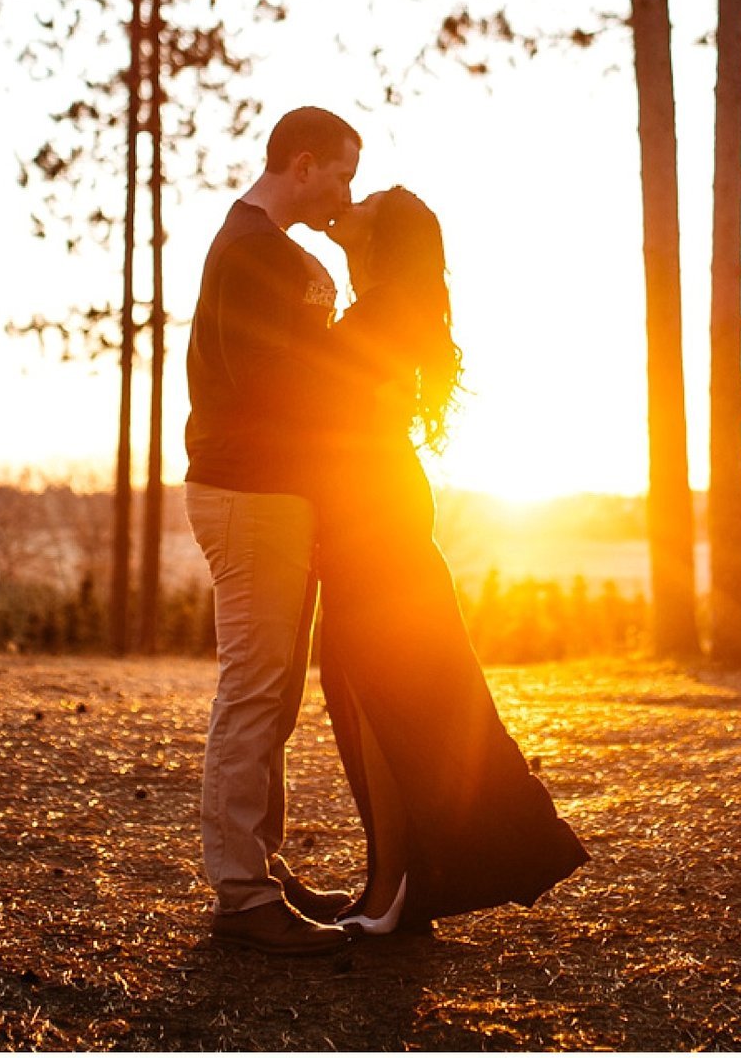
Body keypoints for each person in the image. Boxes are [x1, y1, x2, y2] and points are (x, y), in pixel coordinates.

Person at [313, 186, 589, 935]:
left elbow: (351, 408)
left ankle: (394, 890)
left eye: (364, 201)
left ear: (389, 233)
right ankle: (395, 879)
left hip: (371, 508)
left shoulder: (383, 307)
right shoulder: (381, 298)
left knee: (391, 700)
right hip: (365, 504)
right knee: (374, 697)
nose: (351, 202)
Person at [182, 106, 363, 957]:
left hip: (278, 494)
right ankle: (241, 896)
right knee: (254, 685)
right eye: (341, 172)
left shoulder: (275, 249)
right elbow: (266, 382)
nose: (345, 191)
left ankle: (260, 864)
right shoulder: (250, 248)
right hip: (247, 490)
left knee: (278, 687)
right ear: (302, 162)